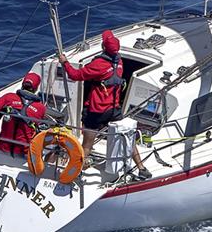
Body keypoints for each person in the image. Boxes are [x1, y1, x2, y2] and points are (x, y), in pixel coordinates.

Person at [58, 30, 152, 180]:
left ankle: (75, 172)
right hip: (113, 109)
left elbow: (75, 75)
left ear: (103, 46)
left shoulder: (99, 64)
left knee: (87, 144)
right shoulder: (119, 62)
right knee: (128, 138)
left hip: (96, 110)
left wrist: (65, 62)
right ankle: (141, 168)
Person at [0, 72, 46, 156]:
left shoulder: (9, 97)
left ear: (23, 84)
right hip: (23, 155)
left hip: (3, 149)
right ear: (36, 88)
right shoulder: (41, 108)